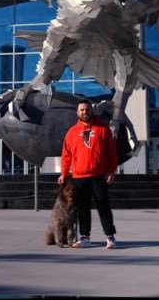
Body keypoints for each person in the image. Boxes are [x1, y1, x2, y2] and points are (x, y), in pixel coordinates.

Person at [58, 99, 118, 249]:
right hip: (79, 177)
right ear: (77, 113)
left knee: (103, 206)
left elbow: (111, 152)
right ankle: (85, 237)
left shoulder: (103, 129)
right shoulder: (72, 132)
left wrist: (111, 171)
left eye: (87, 109)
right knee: (82, 209)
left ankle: (110, 237)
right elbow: (66, 155)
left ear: (91, 110)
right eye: (82, 110)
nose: (85, 112)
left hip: (99, 176)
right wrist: (64, 174)